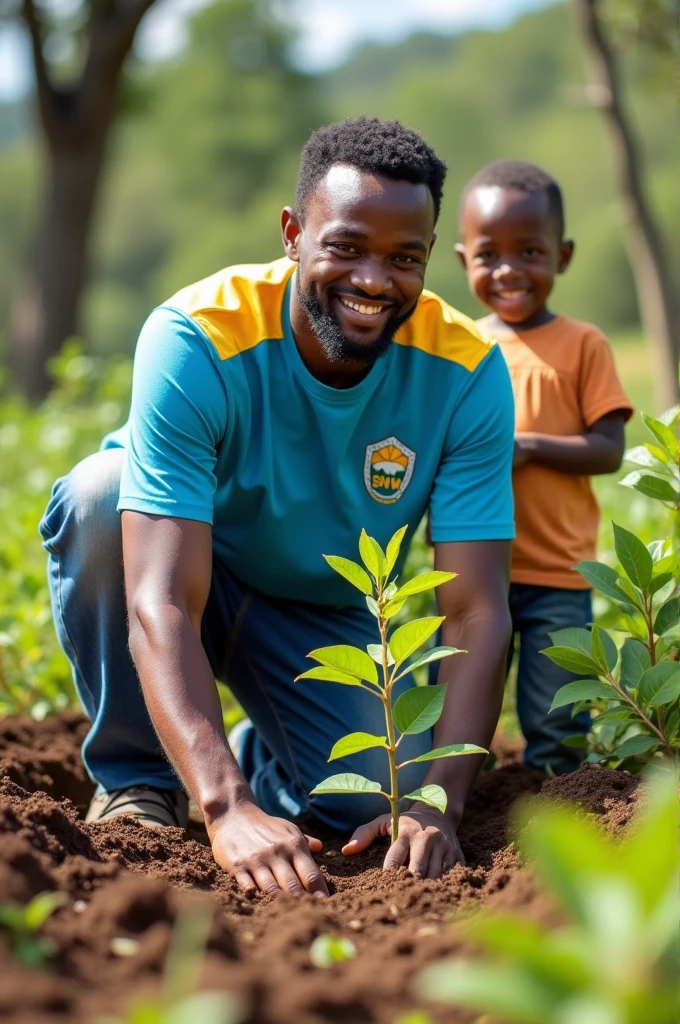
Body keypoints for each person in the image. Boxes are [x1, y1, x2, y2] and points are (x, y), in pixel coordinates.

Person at [40, 117, 515, 896]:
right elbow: (158, 597)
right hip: (178, 557)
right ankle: (139, 782)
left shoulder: (466, 372)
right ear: (294, 233)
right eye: (347, 246)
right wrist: (224, 810)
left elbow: (473, 610)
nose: (373, 280)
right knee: (99, 496)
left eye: (405, 258)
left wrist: (440, 804)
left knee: (374, 798)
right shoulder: (197, 335)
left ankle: (259, 755)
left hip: (315, 614)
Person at [455, 158, 633, 774]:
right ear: (462, 261)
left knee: (556, 715)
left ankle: (558, 805)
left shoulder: (584, 344)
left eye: (529, 251)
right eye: (489, 255)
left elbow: (608, 448)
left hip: (559, 573)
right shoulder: (461, 347)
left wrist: (528, 446)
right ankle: (467, 804)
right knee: (460, 707)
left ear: (563, 255)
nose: (508, 270)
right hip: (475, 567)